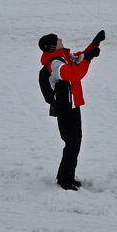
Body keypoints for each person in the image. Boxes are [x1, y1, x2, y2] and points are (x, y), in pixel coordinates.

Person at [38, 30, 105, 190]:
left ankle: (67, 176)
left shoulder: (64, 57)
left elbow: (80, 56)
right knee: (72, 142)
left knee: (76, 141)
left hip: (73, 105)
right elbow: (75, 74)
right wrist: (88, 58)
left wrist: (94, 44)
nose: (61, 39)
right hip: (65, 108)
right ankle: (64, 181)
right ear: (53, 47)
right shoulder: (55, 64)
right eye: (57, 39)